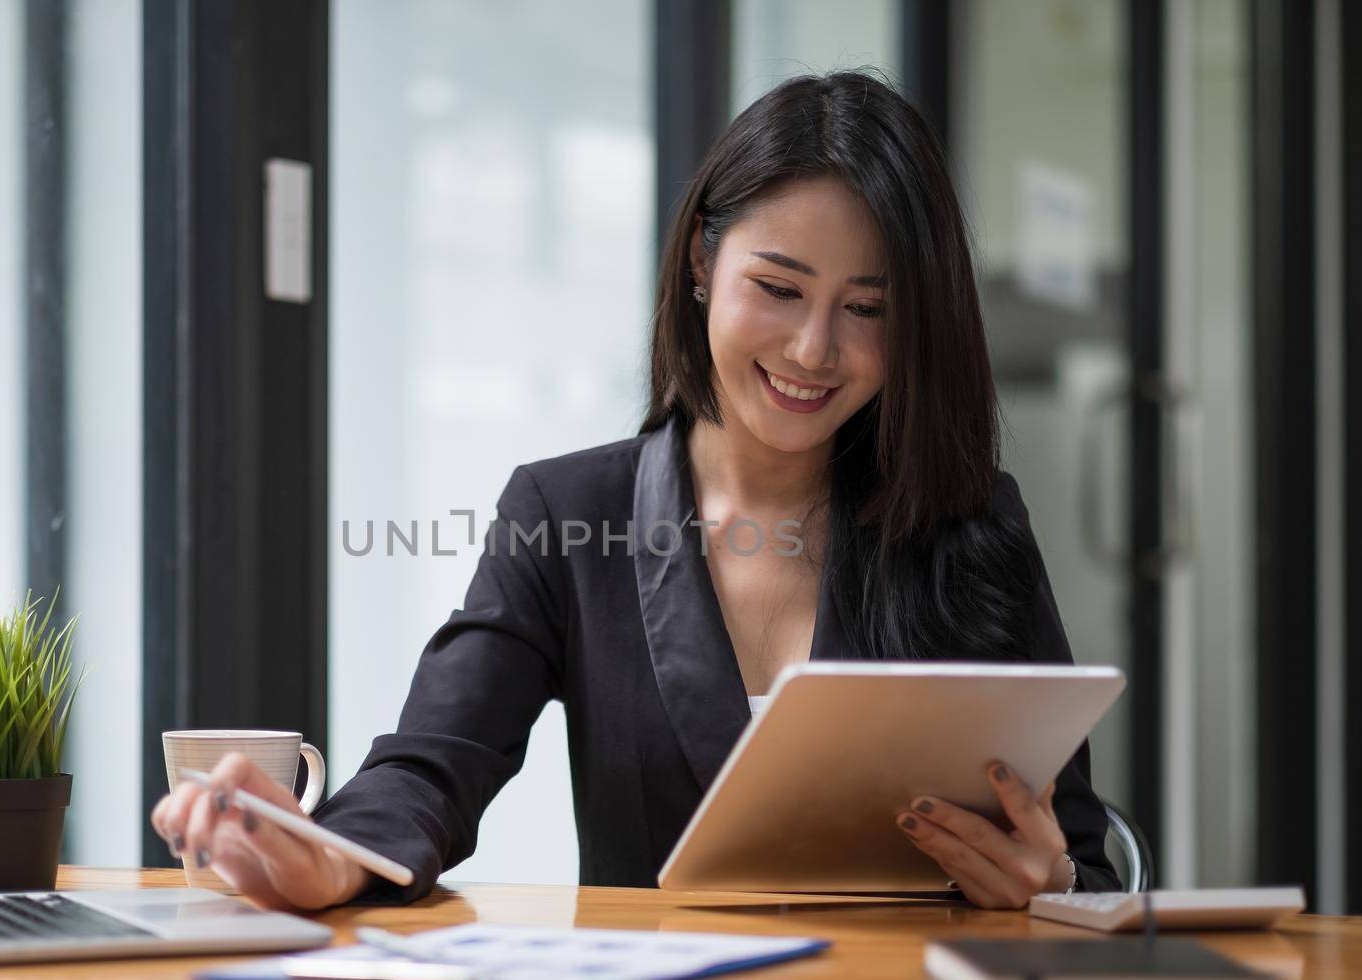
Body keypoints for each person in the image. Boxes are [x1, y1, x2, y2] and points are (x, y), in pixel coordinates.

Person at [150, 69, 1122, 913]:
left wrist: (1053, 884)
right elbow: (431, 764)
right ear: (703, 262)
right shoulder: (563, 515)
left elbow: (1074, 851)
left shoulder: (966, 513)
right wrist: (331, 852)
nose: (813, 349)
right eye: (778, 288)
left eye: (865, 309)